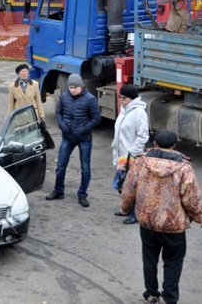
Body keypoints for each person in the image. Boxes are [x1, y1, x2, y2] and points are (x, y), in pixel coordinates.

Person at [120, 130, 202, 304]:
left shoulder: (140, 163)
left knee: (149, 259)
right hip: (174, 226)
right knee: (173, 261)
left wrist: (125, 208)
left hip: (148, 222)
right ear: (174, 146)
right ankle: (170, 298)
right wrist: (200, 217)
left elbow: (129, 189)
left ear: (155, 144)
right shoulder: (184, 169)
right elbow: (192, 200)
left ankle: (151, 293)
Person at [46, 74, 101, 207]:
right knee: (60, 166)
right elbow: (58, 113)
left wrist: (83, 129)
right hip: (67, 137)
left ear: (81, 86)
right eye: (70, 87)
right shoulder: (64, 97)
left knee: (85, 168)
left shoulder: (90, 99)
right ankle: (59, 190)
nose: (73, 90)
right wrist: (61, 124)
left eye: (75, 87)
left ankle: (82, 194)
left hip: (84, 139)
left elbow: (96, 118)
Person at [111, 84, 149, 224]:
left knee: (132, 187)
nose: (120, 100)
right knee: (122, 186)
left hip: (132, 157)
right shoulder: (124, 110)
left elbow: (143, 136)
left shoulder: (139, 113)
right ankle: (126, 209)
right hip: (122, 156)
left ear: (132, 99)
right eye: (119, 97)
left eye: (123, 98)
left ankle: (135, 213)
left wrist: (132, 153)